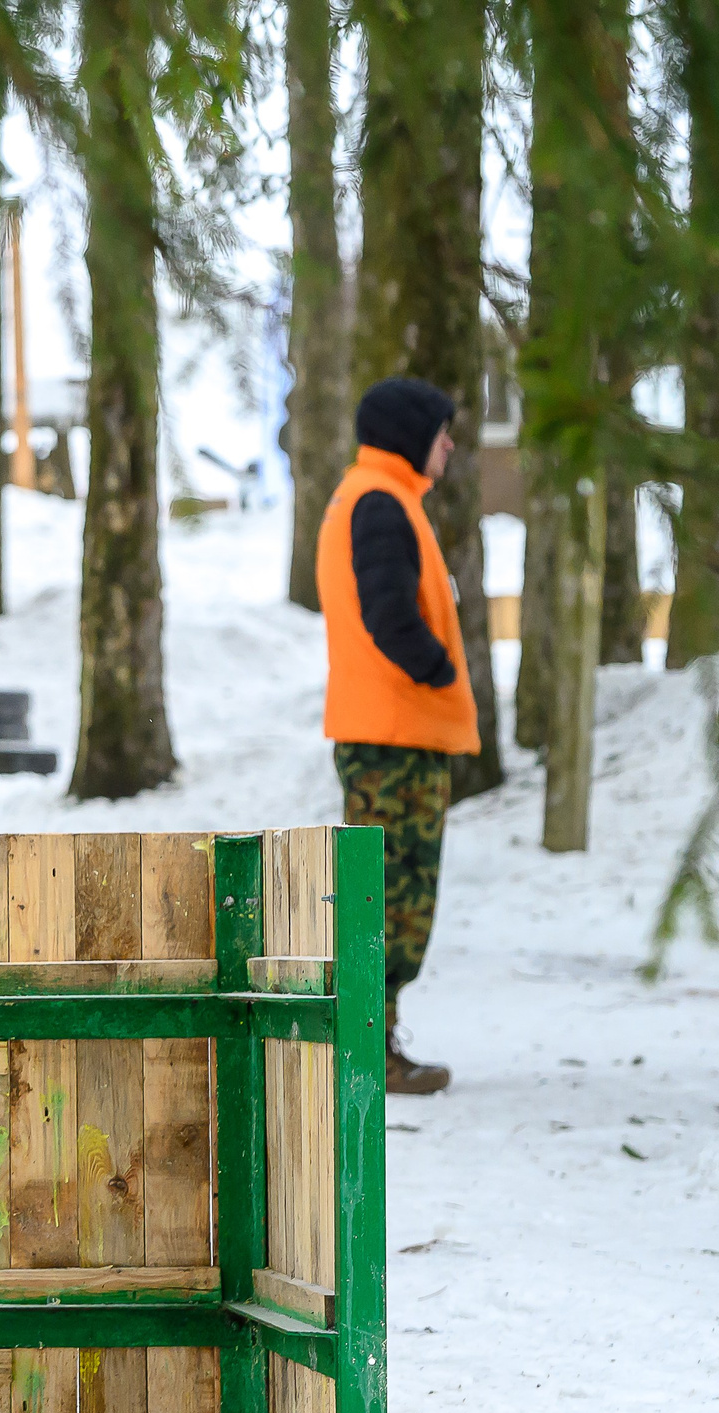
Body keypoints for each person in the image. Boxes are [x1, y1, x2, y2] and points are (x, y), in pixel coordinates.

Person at [315, 376, 482, 1094]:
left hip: (397, 736)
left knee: (391, 894)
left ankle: (372, 1040)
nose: (448, 443)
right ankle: (366, 1047)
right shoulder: (379, 503)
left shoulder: (383, 498)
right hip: (393, 740)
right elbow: (389, 614)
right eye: (441, 430)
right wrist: (439, 668)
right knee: (388, 897)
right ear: (411, 434)